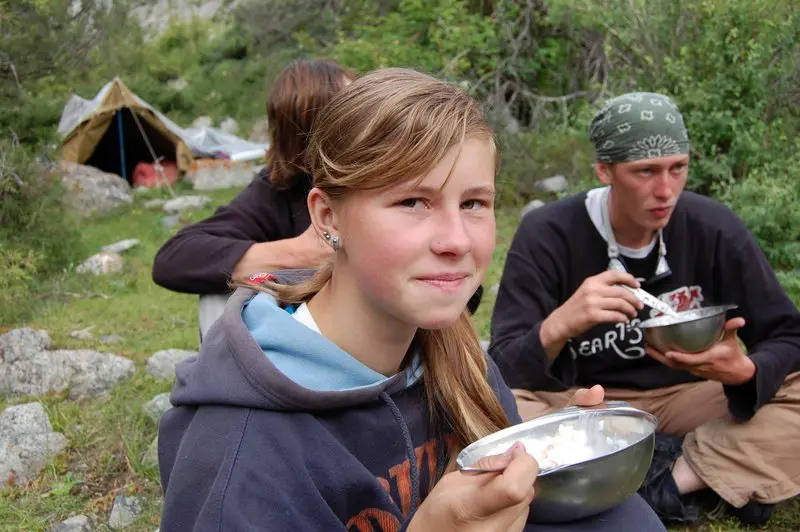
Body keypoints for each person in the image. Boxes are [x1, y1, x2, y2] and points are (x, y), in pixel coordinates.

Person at [157, 68, 665, 531]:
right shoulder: (243, 455)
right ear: (328, 218)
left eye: (473, 203)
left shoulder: (452, 349)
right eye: (412, 202)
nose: (457, 241)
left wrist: (554, 451)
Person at [488, 91, 800, 526]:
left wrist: (744, 373)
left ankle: (672, 482)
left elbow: (788, 335)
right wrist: (560, 324)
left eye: (678, 168)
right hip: (584, 408)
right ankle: (718, 475)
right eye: (645, 172)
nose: (665, 190)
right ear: (604, 170)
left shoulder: (711, 225)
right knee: (493, 408)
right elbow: (501, 364)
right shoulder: (549, 233)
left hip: (688, 396)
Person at [151, 59, 354, 340]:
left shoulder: (388, 175)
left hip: (384, 332)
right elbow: (174, 259)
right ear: (314, 127)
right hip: (305, 340)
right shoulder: (278, 190)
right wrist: (299, 254)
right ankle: (233, 380)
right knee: (217, 295)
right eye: (353, 110)